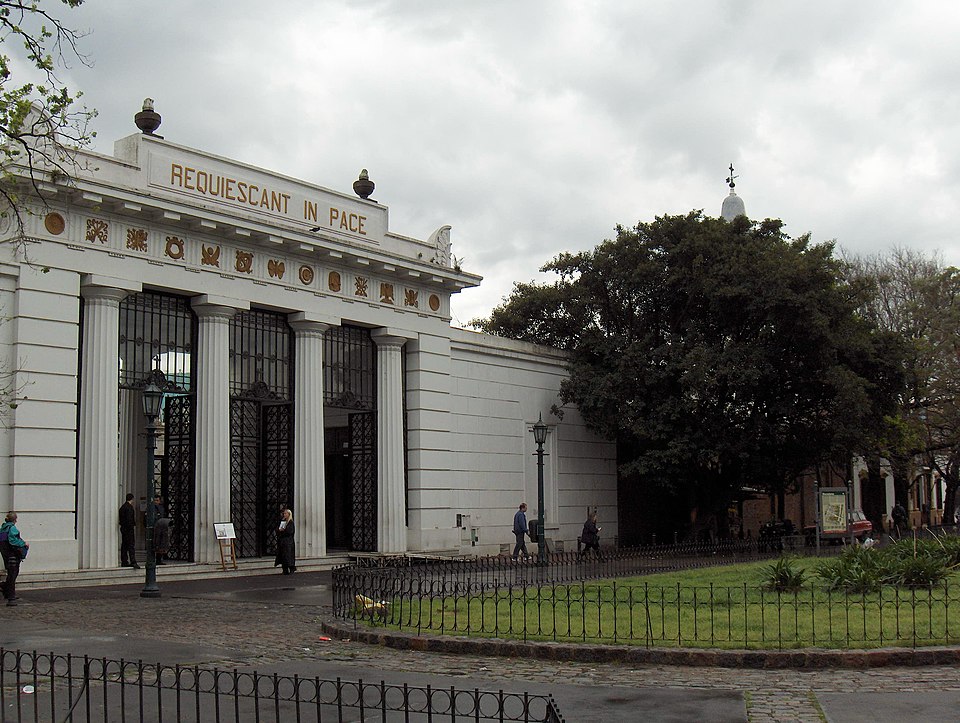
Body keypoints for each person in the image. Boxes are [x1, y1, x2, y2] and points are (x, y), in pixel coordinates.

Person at [0, 511, 29, 606]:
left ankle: (7, 591)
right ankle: (10, 597)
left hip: (6, 554)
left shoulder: (3, 529)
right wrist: (24, 544)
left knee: (11, 574)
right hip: (13, 555)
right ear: (15, 520)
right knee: (13, 574)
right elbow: (13, 541)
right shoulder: (12, 528)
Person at [119, 493, 139, 569]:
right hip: (129, 529)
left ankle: (124, 561)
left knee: (124, 545)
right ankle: (133, 561)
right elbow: (130, 519)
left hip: (123, 528)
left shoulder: (122, 507)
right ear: (132, 499)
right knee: (131, 545)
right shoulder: (129, 508)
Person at [274, 508, 296, 575]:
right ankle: (285, 569)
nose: (284, 514)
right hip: (283, 542)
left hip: (288, 542)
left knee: (288, 556)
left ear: (289, 514)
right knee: (283, 556)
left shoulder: (291, 523)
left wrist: (283, 530)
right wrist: (279, 530)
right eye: (284, 513)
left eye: (285, 513)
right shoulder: (283, 522)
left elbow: (290, 532)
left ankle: (291, 568)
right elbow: (278, 530)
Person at [152, 495, 170, 565]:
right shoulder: (151, 508)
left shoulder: (161, 508)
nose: (156, 502)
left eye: (157, 500)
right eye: (155, 500)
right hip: (155, 528)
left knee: (161, 544)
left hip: (161, 528)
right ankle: (154, 559)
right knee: (154, 544)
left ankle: (159, 559)